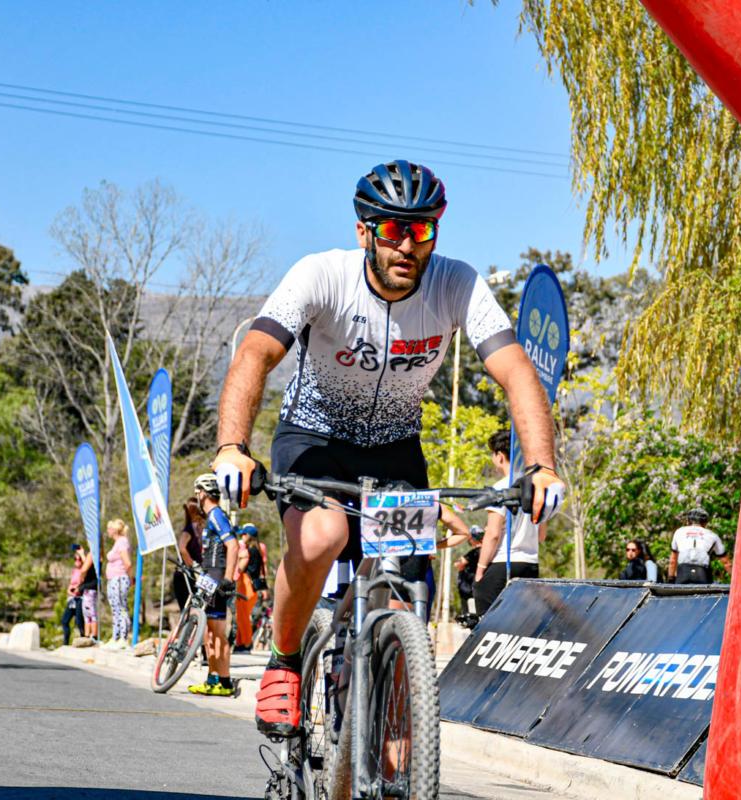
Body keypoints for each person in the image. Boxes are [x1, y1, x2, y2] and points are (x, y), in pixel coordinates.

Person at [210, 159, 565, 738]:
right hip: (315, 439)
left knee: (400, 599)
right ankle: (286, 661)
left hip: (395, 448)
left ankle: (388, 748)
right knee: (323, 536)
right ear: (364, 232)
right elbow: (255, 353)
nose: (407, 244)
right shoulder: (321, 275)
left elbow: (517, 372)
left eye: (421, 229)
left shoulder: (456, 283)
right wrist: (232, 447)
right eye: (394, 229)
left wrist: (542, 466)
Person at [474, 429, 549, 617]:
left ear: (499, 456)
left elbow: (493, 534)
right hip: (530, 563)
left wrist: (480, 569)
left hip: (505, 562)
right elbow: (541, 536)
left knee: (486, 609)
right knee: (522, 620)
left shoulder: (500, 488)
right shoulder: (536, 488)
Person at [187, 473, 241, 697]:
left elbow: (233, 545)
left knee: (218, 633)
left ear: (203, 493)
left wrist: (228, 578)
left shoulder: (217, 514)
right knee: (209, 634)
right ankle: (213, 679)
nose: (196, 496)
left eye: (197, 492)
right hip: (209, 575)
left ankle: (225, 682)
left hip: (217, 576)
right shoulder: (211, 516)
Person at [668, 509, 727, 585]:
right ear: (705, 523)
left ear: (688, 521)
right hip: (702, 573)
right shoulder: (712, 535)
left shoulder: (679, 532)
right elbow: (726, 563)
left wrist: (671, 579)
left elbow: (673, 561)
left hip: (683, 572)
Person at [234, 523, 268, 653]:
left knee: (242, 617)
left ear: (248, 536)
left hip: (245, 585)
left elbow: (240, 569)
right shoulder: (258, 550)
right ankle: (240, 643)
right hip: (253, 588)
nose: (242, 536)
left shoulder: (247, 552)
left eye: (243, 534)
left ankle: (246, 644)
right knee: (243, 616)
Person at [103, 519, 133, 649]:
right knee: (115, 608)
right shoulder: (117, 543)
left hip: (119, 578)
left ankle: (123, 637)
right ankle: (115, 636)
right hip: (113, 579)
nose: (108, 531)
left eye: (109, 528)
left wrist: (130, 577)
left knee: (121, 607)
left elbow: (127, 563)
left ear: (114, 530)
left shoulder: (122, 542)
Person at [173, 496, 204, 613]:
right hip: (185, 576)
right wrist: (193, 565)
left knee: (197, 611)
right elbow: (182, 548)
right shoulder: (188, 530)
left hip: (193, 575)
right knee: (188, 612)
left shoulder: (198, 530)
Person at [60, 544, 85, 645]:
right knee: (64, 621)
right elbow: (71, 583)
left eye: (79, 559)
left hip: (80, 598)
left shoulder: (84, 571)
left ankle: (84, 638)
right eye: (75, 559)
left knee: (79, 622)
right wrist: (69, 590)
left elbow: (82, 583)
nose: (77, 561)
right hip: (72, 599)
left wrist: (82, 553)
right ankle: (65, 642)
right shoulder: (75, 571)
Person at [77, 544, 98, 639]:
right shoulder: (96, 554)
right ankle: (88, 635)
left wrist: (81, 578)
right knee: (88, 613)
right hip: (90, 588)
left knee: (90, 614)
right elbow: (89, 567)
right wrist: (82, 555)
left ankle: (92, 635)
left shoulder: (93, 553)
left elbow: (85, 569)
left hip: (89, 588)